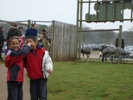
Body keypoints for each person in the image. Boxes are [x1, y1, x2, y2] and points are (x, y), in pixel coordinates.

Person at [24, 36, 53, 100]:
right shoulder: (26, 53)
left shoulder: (43, 52)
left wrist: (49, 68)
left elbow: (48, 61)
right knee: (33, 96)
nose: (29, 44)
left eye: (30, 42)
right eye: (27, 43)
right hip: (32, 78)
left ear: (36, 42)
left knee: (43, 96)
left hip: (41, 78)